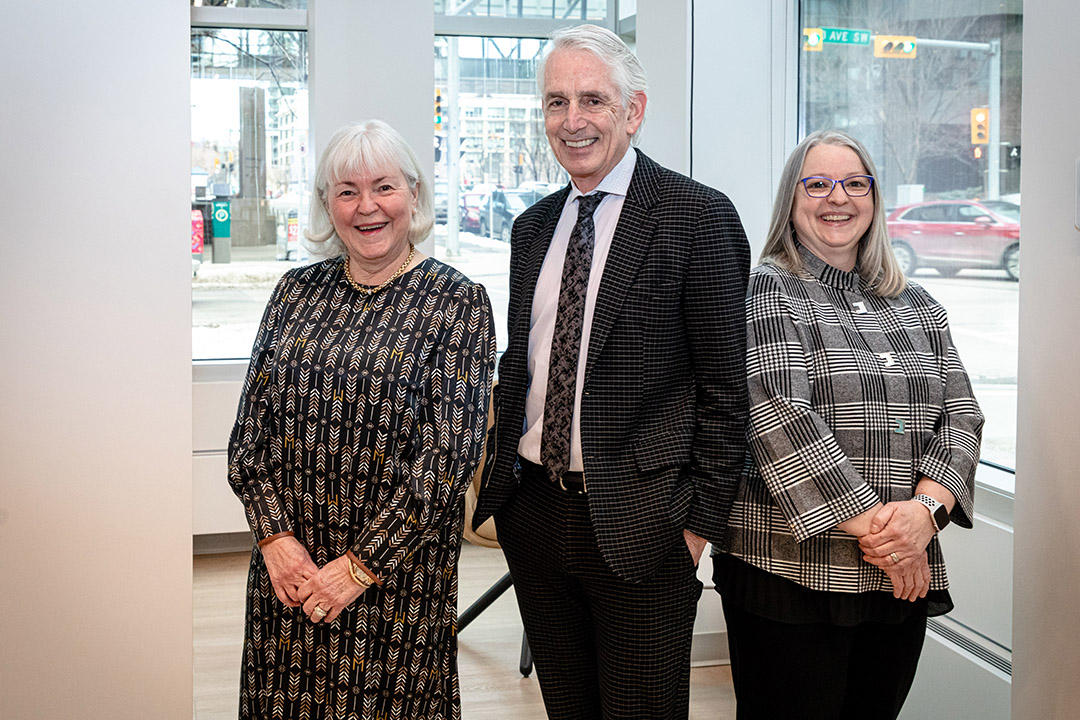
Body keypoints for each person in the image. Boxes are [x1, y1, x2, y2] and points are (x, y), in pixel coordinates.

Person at [473, 24, 751, 719]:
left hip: (645, 530)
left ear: (633, 110)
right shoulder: (532, 228)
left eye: (592, 99)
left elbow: (726, 389)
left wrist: (696, 530)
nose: (573, 121)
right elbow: (522, 362)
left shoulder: (697, 216)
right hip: (534, 513)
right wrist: (501, 491)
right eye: (556, 102)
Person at [227, 119, 496, 720]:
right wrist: (274, 539)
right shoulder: (295, 293)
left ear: (416, 195)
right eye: (347, 190)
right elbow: (249, 439)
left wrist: (357, 569)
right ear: (327, 204)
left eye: (384, 187)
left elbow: (447, 462)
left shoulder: (457, 303)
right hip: (287, 579)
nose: (366, 206)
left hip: (395, 584)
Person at [714, 129, 984, 719]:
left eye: (854, 183)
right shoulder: (766, 290)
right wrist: (893, 544)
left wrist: (923, 518)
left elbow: (962, 414)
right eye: (817, 184)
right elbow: (780, 418)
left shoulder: (917, 304)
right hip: (790, 571)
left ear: (874, 200)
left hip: (898, 575)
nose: (838, 198)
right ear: (791, 199)